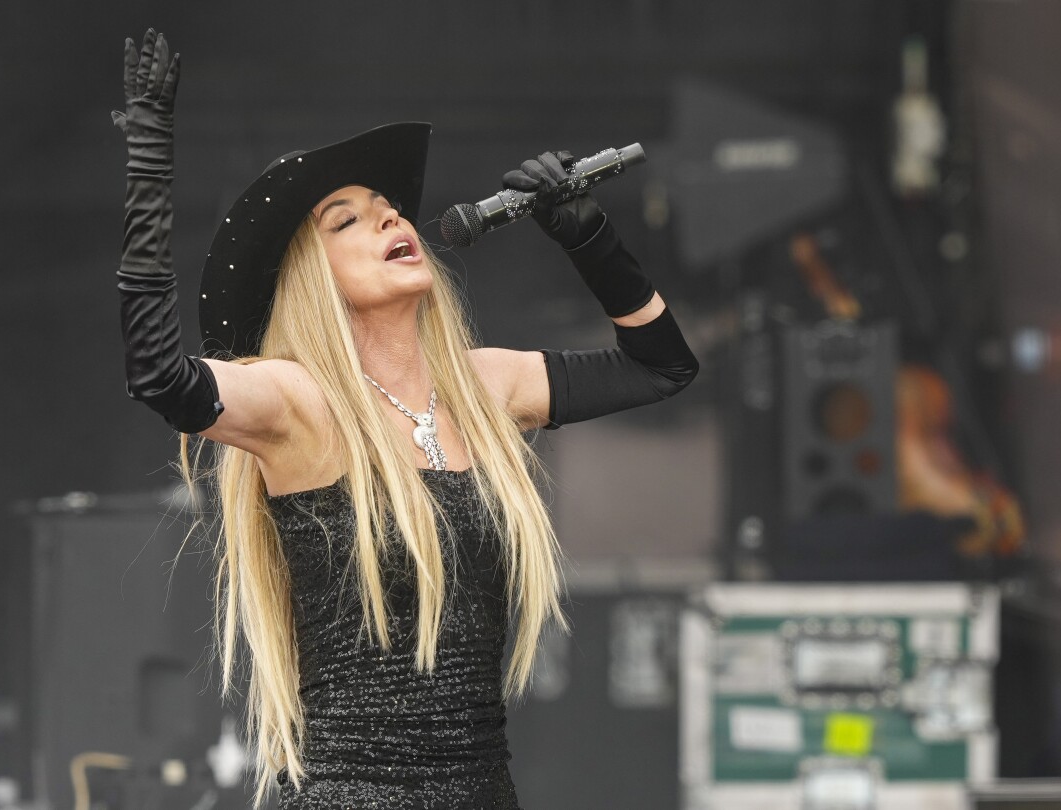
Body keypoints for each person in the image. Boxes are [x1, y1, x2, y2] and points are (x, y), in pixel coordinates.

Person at [113, 30, 697, 808]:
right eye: (348, 220)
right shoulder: (299, 402)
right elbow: (160, 376)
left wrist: (588, 238)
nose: (391, 220)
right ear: (311, 277)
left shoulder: (483, 390)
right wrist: (149, 160)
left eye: (389, 209)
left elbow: (661, 366)